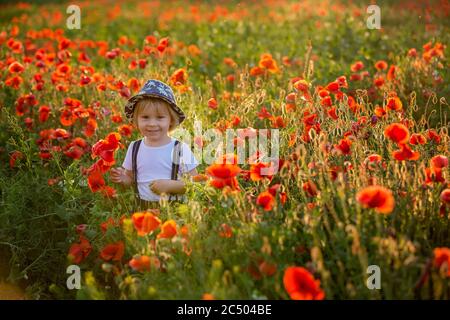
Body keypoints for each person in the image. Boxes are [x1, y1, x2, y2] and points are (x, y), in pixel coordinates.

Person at [110, 79, 199, 210]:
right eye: (145, 117)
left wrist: (170, 186)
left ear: (170, 120)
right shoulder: (135, 148)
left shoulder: (180, 149)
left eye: (160, 117)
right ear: (136, 119)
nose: (152, 123)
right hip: (142, 210)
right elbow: (131, 179)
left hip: (174, 211)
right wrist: (123, 178)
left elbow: (196, 183)